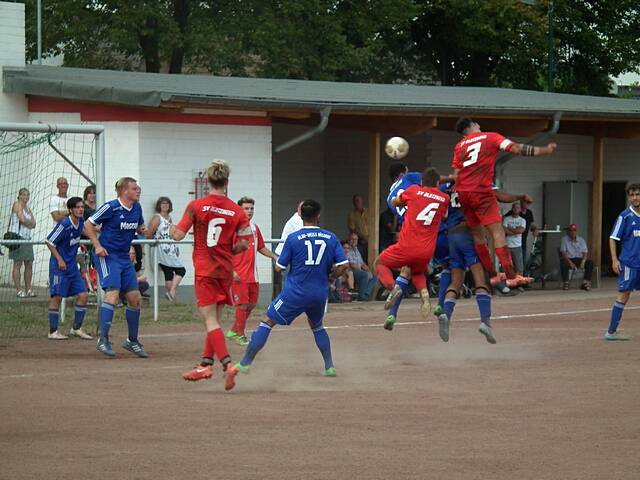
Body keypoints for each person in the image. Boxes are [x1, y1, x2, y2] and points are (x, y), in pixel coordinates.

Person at [233, 199, 349, 378]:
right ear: (318, 216)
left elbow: (279, 267)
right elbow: (344, 265)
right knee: (317, 326)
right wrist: (332, 275)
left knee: (267, 321)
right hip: (319, 293)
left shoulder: (294, 238)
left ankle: (245, 363)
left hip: (296, 292)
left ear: (300, 215)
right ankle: (329, 366)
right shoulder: (331, 237)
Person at [171, 159, 251, 390]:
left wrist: (169, 227)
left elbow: (177, 235)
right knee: (214, 320)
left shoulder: (196, 206)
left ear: (208, 181)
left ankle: (227, 365)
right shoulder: (237, 211)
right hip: (225, 270)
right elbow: (244, 243)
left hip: (205, 269)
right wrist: (229, 248)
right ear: (226, 182)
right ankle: (205, 364)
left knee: (209, 320)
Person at [451, 118, 556, 280]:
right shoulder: (490, 137)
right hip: (481, 192)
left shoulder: (459, 146)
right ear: (473, 125)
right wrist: (544, 151)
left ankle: (491, 274)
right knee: (498, 233)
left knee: (478, 235)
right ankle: (511, 274)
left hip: (464, 194)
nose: (480, 125)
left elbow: (456, 176)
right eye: (478, 123)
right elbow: (515, 148)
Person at [374, 167, 449, 331]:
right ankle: (426, 295)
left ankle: (392, 290)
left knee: (381, 263)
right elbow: (444, 216)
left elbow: (396, 202)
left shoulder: (412, 191)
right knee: (417, 272)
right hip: (429, 246)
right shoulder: (444, 198)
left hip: (408, 241)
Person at [85, 177, 149, 358]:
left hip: (123, 257)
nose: (138, 190)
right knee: (112, 294)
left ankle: (132, 341)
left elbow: (140, 227)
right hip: (108, 256)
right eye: (134, 188)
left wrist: (145, 229)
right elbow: (88, 224)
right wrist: (97, 246)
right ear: (124, 191)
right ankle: (103, 339)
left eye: (138, 188)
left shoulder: (136, 207)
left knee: (135, 298)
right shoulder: (111, 207)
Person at [227, 196, 278, 346]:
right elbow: (224, 252)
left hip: (252, 275)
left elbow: (261, 247)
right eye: (246, 208)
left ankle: (233, 330)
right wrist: (231, 271)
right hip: (238, 274)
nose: (249, 211)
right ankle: (240, 335)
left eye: (251, 209)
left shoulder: (255, 228)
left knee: (251, 304)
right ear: (239, 210)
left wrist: (275, 256)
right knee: (242, 305)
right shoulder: (233, 229)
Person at [45, 197, 92, 340]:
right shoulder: (64, 224)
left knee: (83, 295)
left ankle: (76, 328)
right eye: (77, 207)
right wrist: (59, 260)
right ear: (71, 210)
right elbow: (49, 241)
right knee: (57, 297)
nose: (81, 209)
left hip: (72, 267)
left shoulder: (81, 222)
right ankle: (53, 331)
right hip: (59, 267)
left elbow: (87, 230)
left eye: (82, 207)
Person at [605, 184, 640, 341]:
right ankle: (611, 332)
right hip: (629, 264)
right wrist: (614, 259)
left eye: (637, 194)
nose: (635, 198)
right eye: (632, 195)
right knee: (624, 294)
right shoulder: (624, 216)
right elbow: (613, 238)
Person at [146, 196, 186, 302]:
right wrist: (152, 244)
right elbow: (149, 233)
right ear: (159, 205)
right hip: (161, 248)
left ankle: (172, 297)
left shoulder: (169, 218)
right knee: (181, 270)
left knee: (168, 273)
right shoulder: (157, 217)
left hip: (170, 247)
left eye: (167, 203)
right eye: (163, 203)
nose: (165, 205)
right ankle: (172, 292)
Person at [9, 188, 36, 298]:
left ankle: (28, 289)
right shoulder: (17, 205)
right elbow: (22, 219)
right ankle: (19, 290)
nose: (26, 197)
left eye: (27, 195)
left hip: (27, 238)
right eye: (24, 195)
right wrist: (28, 222)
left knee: (29, 263)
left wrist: (28, 222)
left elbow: (34, 224)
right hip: (18, 238)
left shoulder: (28, 208)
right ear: (19, 196)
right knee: (17, 263)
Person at [560, 223, 594, 291]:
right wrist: (570, 263)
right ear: (568, 232)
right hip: (569, 259)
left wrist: (583, 261)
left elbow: (585, 252)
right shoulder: (564, 239)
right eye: (571, 231)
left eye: (574, 230)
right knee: (563, 263)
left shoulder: (581, 240)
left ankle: (585, 282)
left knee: (590, 263)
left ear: (576, 231)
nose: (573, 232)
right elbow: (563, 253)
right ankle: (566, 282)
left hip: (579, 259)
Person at [344, 233, 377, 301]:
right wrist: (363, 271)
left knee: (374, 277)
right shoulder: (347, 249)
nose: (354, 241)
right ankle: (361, 296)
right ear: (349, 240)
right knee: (364, 275)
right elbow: (352, 265)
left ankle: (366, 294)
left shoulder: (356, 249)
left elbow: (362, 263)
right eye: (352, 239)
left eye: (356, 239)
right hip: (351, 271)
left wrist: (368, 270)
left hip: (358, 270)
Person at [502, 202, 527, 275]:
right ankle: (508, 284)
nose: (516, 209)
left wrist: (510, 228)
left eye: (518, 208)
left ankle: (519, 284)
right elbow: (505, 231)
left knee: (519, 268)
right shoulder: (506, 219)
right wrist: (516, 230)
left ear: (520, 210)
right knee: (506, 267)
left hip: (517, 246)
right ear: (512, 209)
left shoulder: (522, 220)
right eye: (514, 207)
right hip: (507, 245)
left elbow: (520, 231)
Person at [347, 194, 369, 260]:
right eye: (354, 201)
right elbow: (352, 229)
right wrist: (364, 237)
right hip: (360, 241)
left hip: (372, 241)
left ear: (362, 201)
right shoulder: (352, 214)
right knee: (360, 260)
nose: (356, 203)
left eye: (358, 201)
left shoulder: (369, 212)